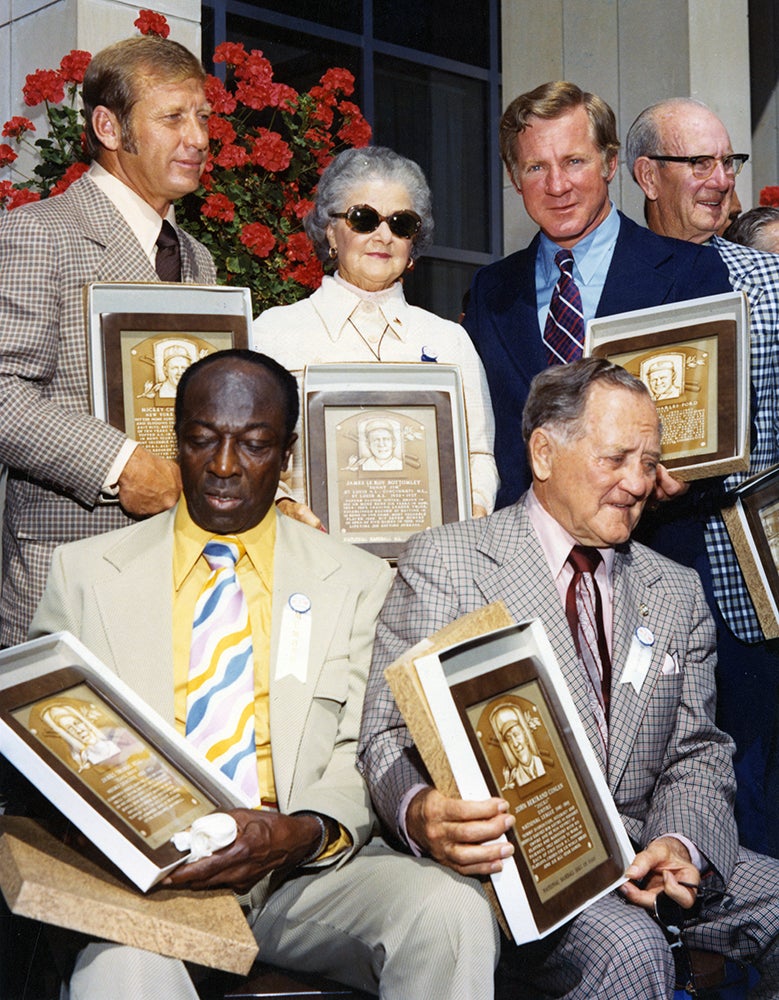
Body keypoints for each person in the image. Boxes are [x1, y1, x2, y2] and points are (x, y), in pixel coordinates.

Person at [28, 349, 498, 999]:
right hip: (145, 884)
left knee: (450, 912)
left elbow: (359, 748)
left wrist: (303, 832)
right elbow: (38, 736)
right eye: (201, 441)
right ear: (178, 441)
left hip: (298, 872)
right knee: (125, 970)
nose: (223, 466)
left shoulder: (356, 580)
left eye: (253, 444)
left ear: (287, 454)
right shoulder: (84, 573)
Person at [358, 358, 779, 999]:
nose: (638, 483)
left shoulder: (676, 591)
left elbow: (698, 752)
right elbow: (387, 736)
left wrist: (680, 843)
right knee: (629, 948)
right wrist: (423, 814)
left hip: (646, 851)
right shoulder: (451, 562)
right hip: (516, 870)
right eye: (617, 459)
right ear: (544, 453)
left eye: (649, 461)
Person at [0, 34, 217, 647]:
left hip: (182, 581)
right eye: (173, 118)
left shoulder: (198, 260)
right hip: (73, 579)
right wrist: (120, 465)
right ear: (109, 127)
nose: (198, 138)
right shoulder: (38, 232)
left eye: (202, 117)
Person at [462, 81, 732, 510]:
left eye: (574, 161)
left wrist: (687, 478)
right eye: (535, 168)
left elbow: (729, 428)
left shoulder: (692, 274)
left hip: (650, 550)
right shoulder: (491, 291)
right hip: (523, 561)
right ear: (514, 178)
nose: (556, 185)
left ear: (609, 163)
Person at [627, 97, 779, 856]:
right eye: (701, 164)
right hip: (637, 582)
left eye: (730, 162)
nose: (721, 181)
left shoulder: (768, 281)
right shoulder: (610, 282)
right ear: (647, 175)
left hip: (752, 588)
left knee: (750, 788)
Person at [253, 146, 498, 527]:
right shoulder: (272, 334)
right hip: (308, 559)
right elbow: (247, 453)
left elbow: (478, 456)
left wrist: (473, 512)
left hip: (429, 567)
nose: (383, 235)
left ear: (413, 242)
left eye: (401, 224)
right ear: (331, 231)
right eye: (364, 218)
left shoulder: (451, 341)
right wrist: (284, 509)